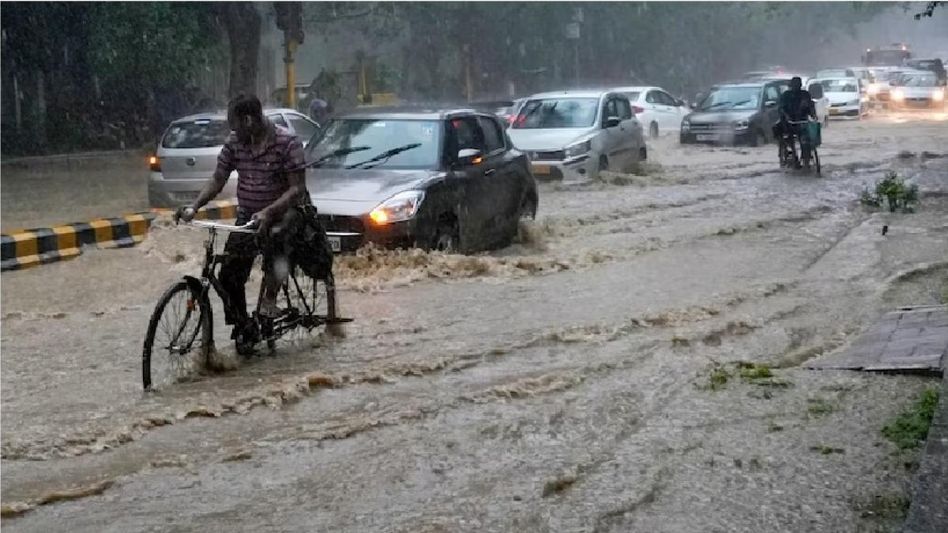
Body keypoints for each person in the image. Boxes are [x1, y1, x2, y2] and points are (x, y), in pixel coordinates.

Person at [175, 93, 306, 352]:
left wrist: (269, 212)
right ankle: (243, 324)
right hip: (249, 215)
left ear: (248, 120)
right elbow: (218, 179)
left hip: (284, 212)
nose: (232, 130)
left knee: (277, 244)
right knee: (229, 274)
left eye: (234, 124)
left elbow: (297, 189)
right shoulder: (235, 143)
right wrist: (194, 206)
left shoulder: (287, 142)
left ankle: (269, 300)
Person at [774, 76, 817, 168]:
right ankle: (785, 149)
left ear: (800, 85)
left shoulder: (805, 94)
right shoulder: (786, 95)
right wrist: (786, 116)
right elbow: (781, 108)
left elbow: (811, 106)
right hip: (788, 122)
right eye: (794, 85)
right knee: (777, 129)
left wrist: (813, 115)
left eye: (798, 85)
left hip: (802, 121)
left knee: (806, 138)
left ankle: (806, 155)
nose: (796, 87)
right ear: (791, 86)